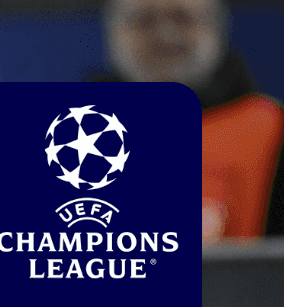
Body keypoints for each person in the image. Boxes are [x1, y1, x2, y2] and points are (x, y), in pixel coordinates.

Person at [103, 0, 283, 240]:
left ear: (216, 27)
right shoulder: (74, 129)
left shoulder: (270, 128)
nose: (165, 35)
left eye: (183, 18)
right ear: (114, 30)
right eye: (144, 21)